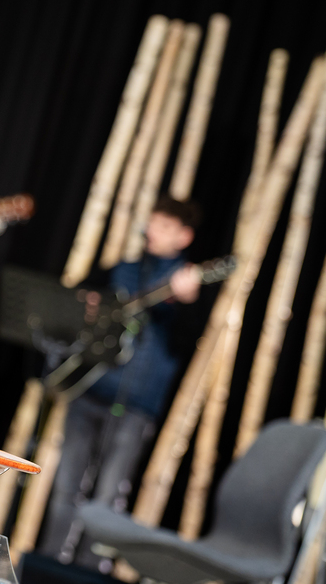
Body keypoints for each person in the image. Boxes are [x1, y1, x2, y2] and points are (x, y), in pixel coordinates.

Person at [38, 196, 202, 573]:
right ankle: (46, 567)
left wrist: (188, 303)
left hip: (136, 405)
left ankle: (89, 572)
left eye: (165, 226)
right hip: (90, 387)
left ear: (184, 237)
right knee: (66, 488)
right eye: (153, 222)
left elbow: (187, 341)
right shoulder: (121, 270)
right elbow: (76, 302)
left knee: (109, 497)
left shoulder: (186, 285)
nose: (153, 231)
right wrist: (87, 303)